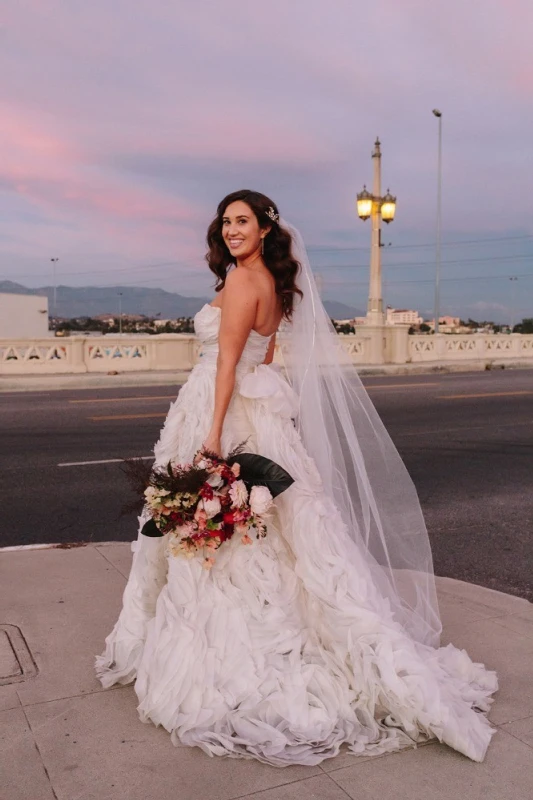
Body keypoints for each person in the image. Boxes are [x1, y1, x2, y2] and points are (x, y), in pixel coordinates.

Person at [96, 189, 498, 767]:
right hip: (259, 414)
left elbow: (230, 363)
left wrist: (211, 439)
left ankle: (224, 658)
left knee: (224, 540)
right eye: (226, 221)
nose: (231, 230)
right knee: (286, 538)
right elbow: (264, 359)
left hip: (220, 409)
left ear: (264, 228)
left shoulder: (239, 281)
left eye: (242, 221)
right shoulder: (276, 285)